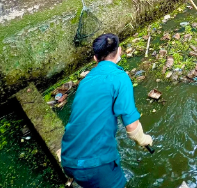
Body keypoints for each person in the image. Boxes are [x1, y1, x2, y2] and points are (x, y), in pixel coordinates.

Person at [61, 33, 153, 188]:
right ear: (120, 51)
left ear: (95, 58)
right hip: (95, 166)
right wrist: (143, 139)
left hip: (68, 158)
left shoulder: (86, 81)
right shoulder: (120, 78)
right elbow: (131, 126)